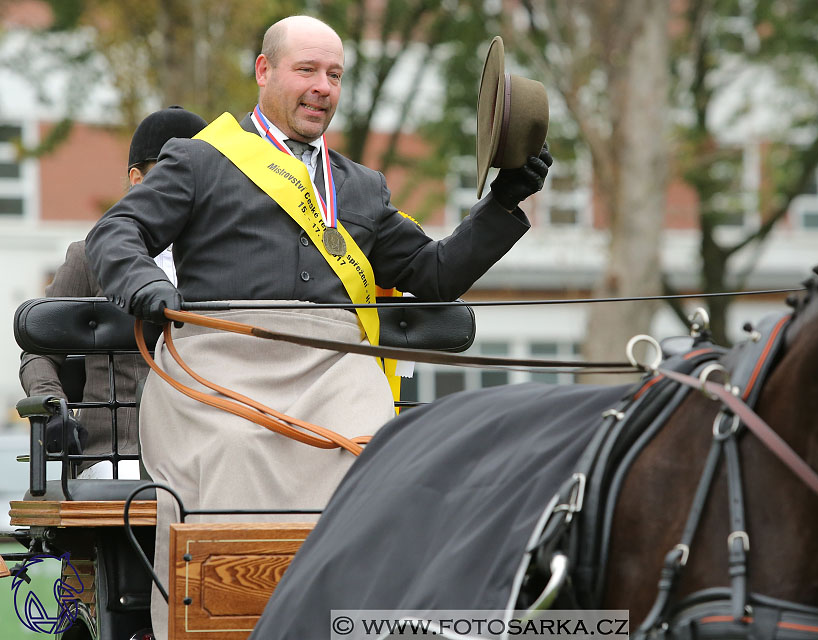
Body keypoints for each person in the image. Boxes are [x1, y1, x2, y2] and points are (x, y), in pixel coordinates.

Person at [85, 15, 551, 638]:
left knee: (370, 454)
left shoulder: (361, 187)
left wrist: (504, 203)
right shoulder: (201, 161)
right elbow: (117, 232)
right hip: (220, 361)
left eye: (333, 74)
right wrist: (144, 285)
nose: (322, 87)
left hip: (335, 366)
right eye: (307, 70)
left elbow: (433, 273)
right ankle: (229, 621)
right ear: (265, 71)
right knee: (233, 451)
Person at [19, 106, 208, 480]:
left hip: (207, 448)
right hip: (116, 454)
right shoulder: (89, 256)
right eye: (172, 177)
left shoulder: (227, 260)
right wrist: (54, 407)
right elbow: (39, 350)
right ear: (137, 179)